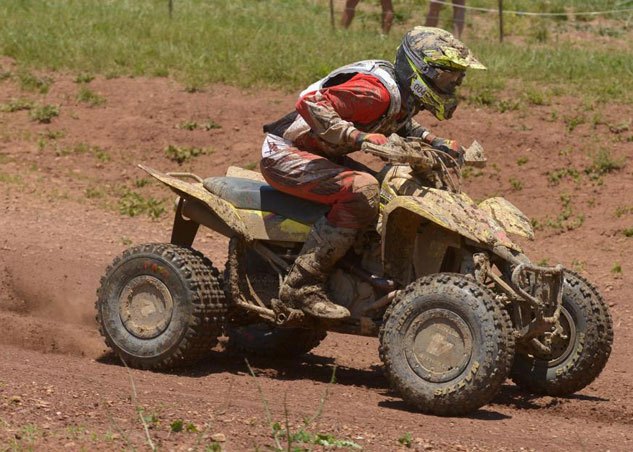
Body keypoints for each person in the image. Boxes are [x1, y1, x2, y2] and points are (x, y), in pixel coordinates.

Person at [260, 27, 485, 319]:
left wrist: (435, 142)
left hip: (320, 154)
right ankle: (302, 286)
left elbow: (399, 122)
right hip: (283, 154)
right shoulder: (375, 92)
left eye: (457, 78)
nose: (452, 84)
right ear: (421, 70)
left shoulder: (400, 94)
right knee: (363, 189)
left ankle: (363, 274)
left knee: (390, 190)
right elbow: (310, 103)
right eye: (446, 76)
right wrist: (359, 138)